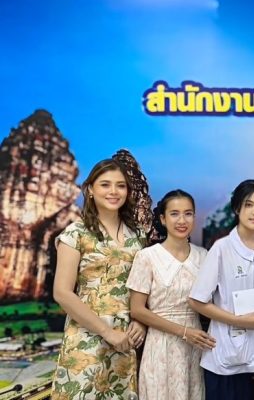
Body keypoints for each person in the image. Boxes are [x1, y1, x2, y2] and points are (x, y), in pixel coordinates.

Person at [51, 159, 147, 399]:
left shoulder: (138, 235)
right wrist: (107, 332)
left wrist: (141, 321)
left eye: (120, 185)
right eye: (105, 184)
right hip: (86, 337)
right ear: (90, 190)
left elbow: (144, 287)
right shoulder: (75, 233)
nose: (114, 191)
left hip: (127, 339)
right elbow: (62, 293)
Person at [189, 180, 254, 400]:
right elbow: (197, 301)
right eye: (249, 205)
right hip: (228, 358)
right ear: (236, 208)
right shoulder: (221, 249)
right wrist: (239, 320)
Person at [127, 190, 215, 400]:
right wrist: (184, 332)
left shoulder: (204, 256)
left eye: (188, 213)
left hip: (195, 346)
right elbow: (137, 310)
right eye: (174, 214)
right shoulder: (147, 257)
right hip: (160, 345)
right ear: (163, 219)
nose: (182, 220)